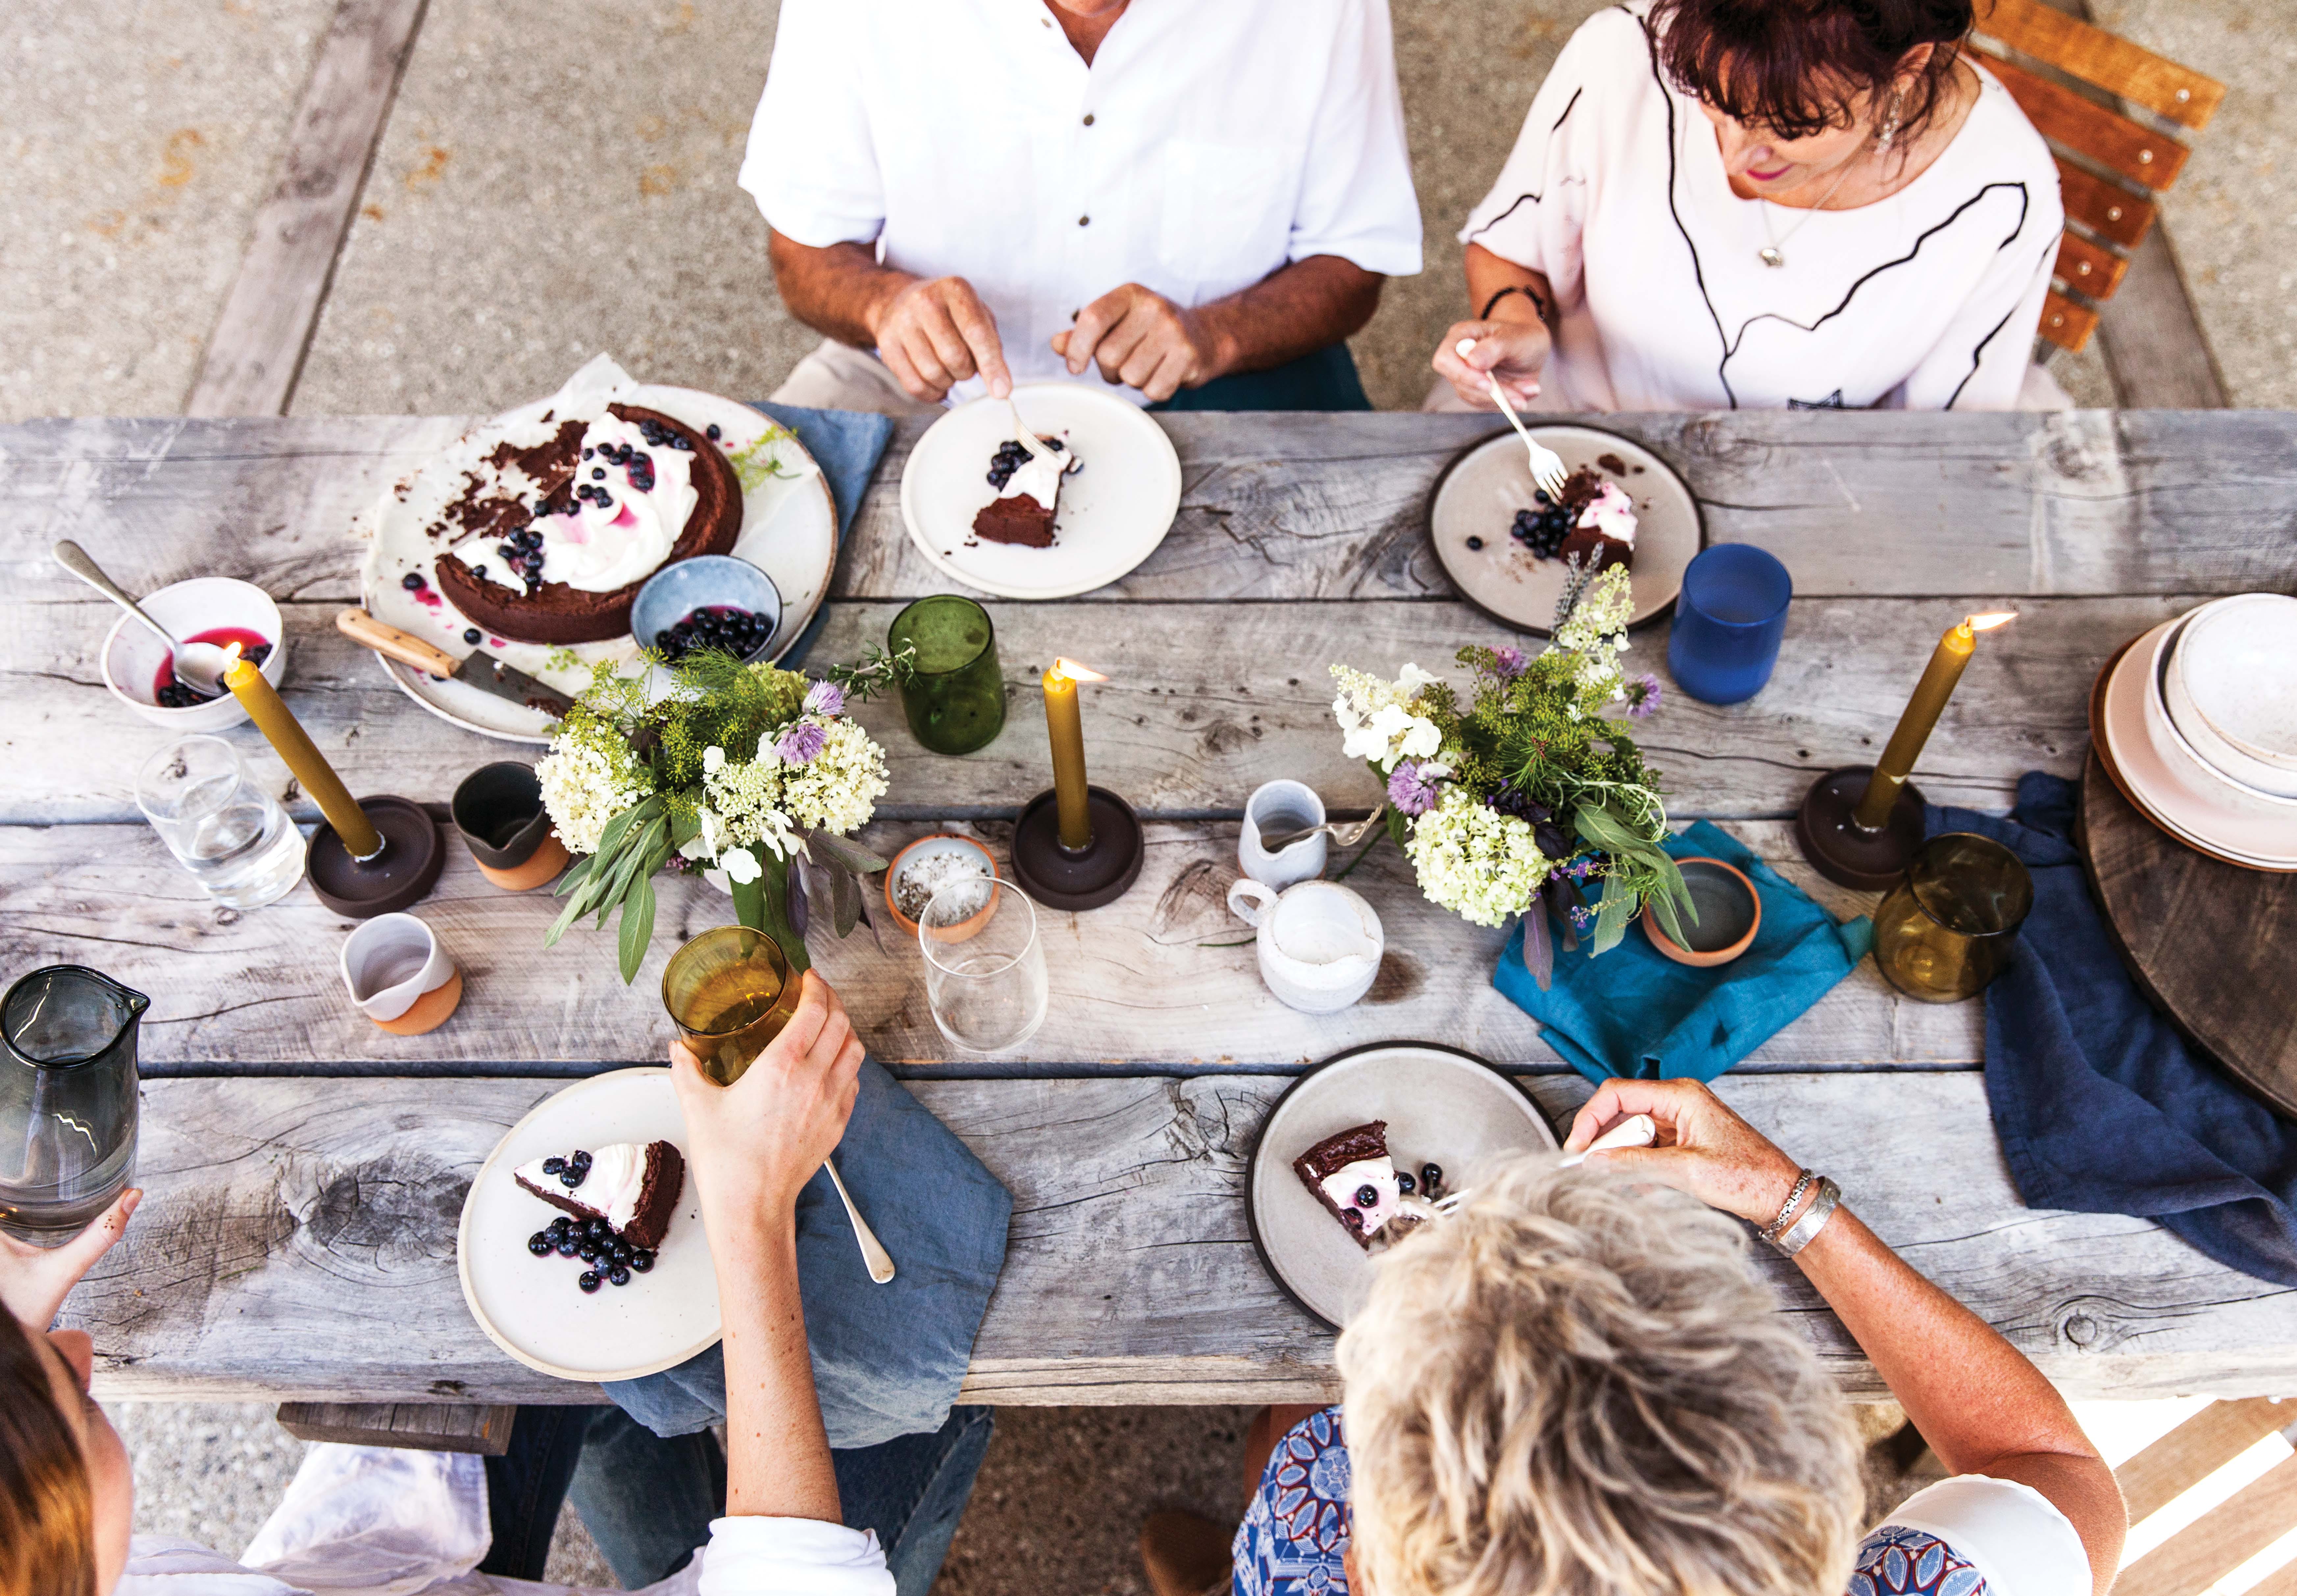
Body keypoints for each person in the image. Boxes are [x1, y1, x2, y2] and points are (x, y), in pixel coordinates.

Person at [0, 975, 981, 1596]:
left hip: (394, 1565)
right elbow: (797, 1582)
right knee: (926, 1403)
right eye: (82, 1404)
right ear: (57, 1548)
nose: (83, 1350)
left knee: (586, 1384)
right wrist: (748, 1207)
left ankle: (668, 1540)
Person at [1140, 1077, 2125, 1596]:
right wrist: (1775, 1196)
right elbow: (2046, 1464)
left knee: (1294, 1452)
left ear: (1367, 1570)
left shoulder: (1321, 1534)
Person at [742, 0, 1421, 414]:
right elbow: (804, 255)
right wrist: (881, 305)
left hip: (1226, 381)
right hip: (918, 387)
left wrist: (1218, 333)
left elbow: (1353, 262)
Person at [1430, 0, 2066, 414]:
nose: (1732, 158)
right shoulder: (1625, 52)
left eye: (1792, 125)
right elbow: (1512, 239)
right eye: (1710, 98)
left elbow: (1942, 446)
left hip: (1812, 491)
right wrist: (1515, 322)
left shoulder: (2001, 198)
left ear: (1907, 67)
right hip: (1576, 427)